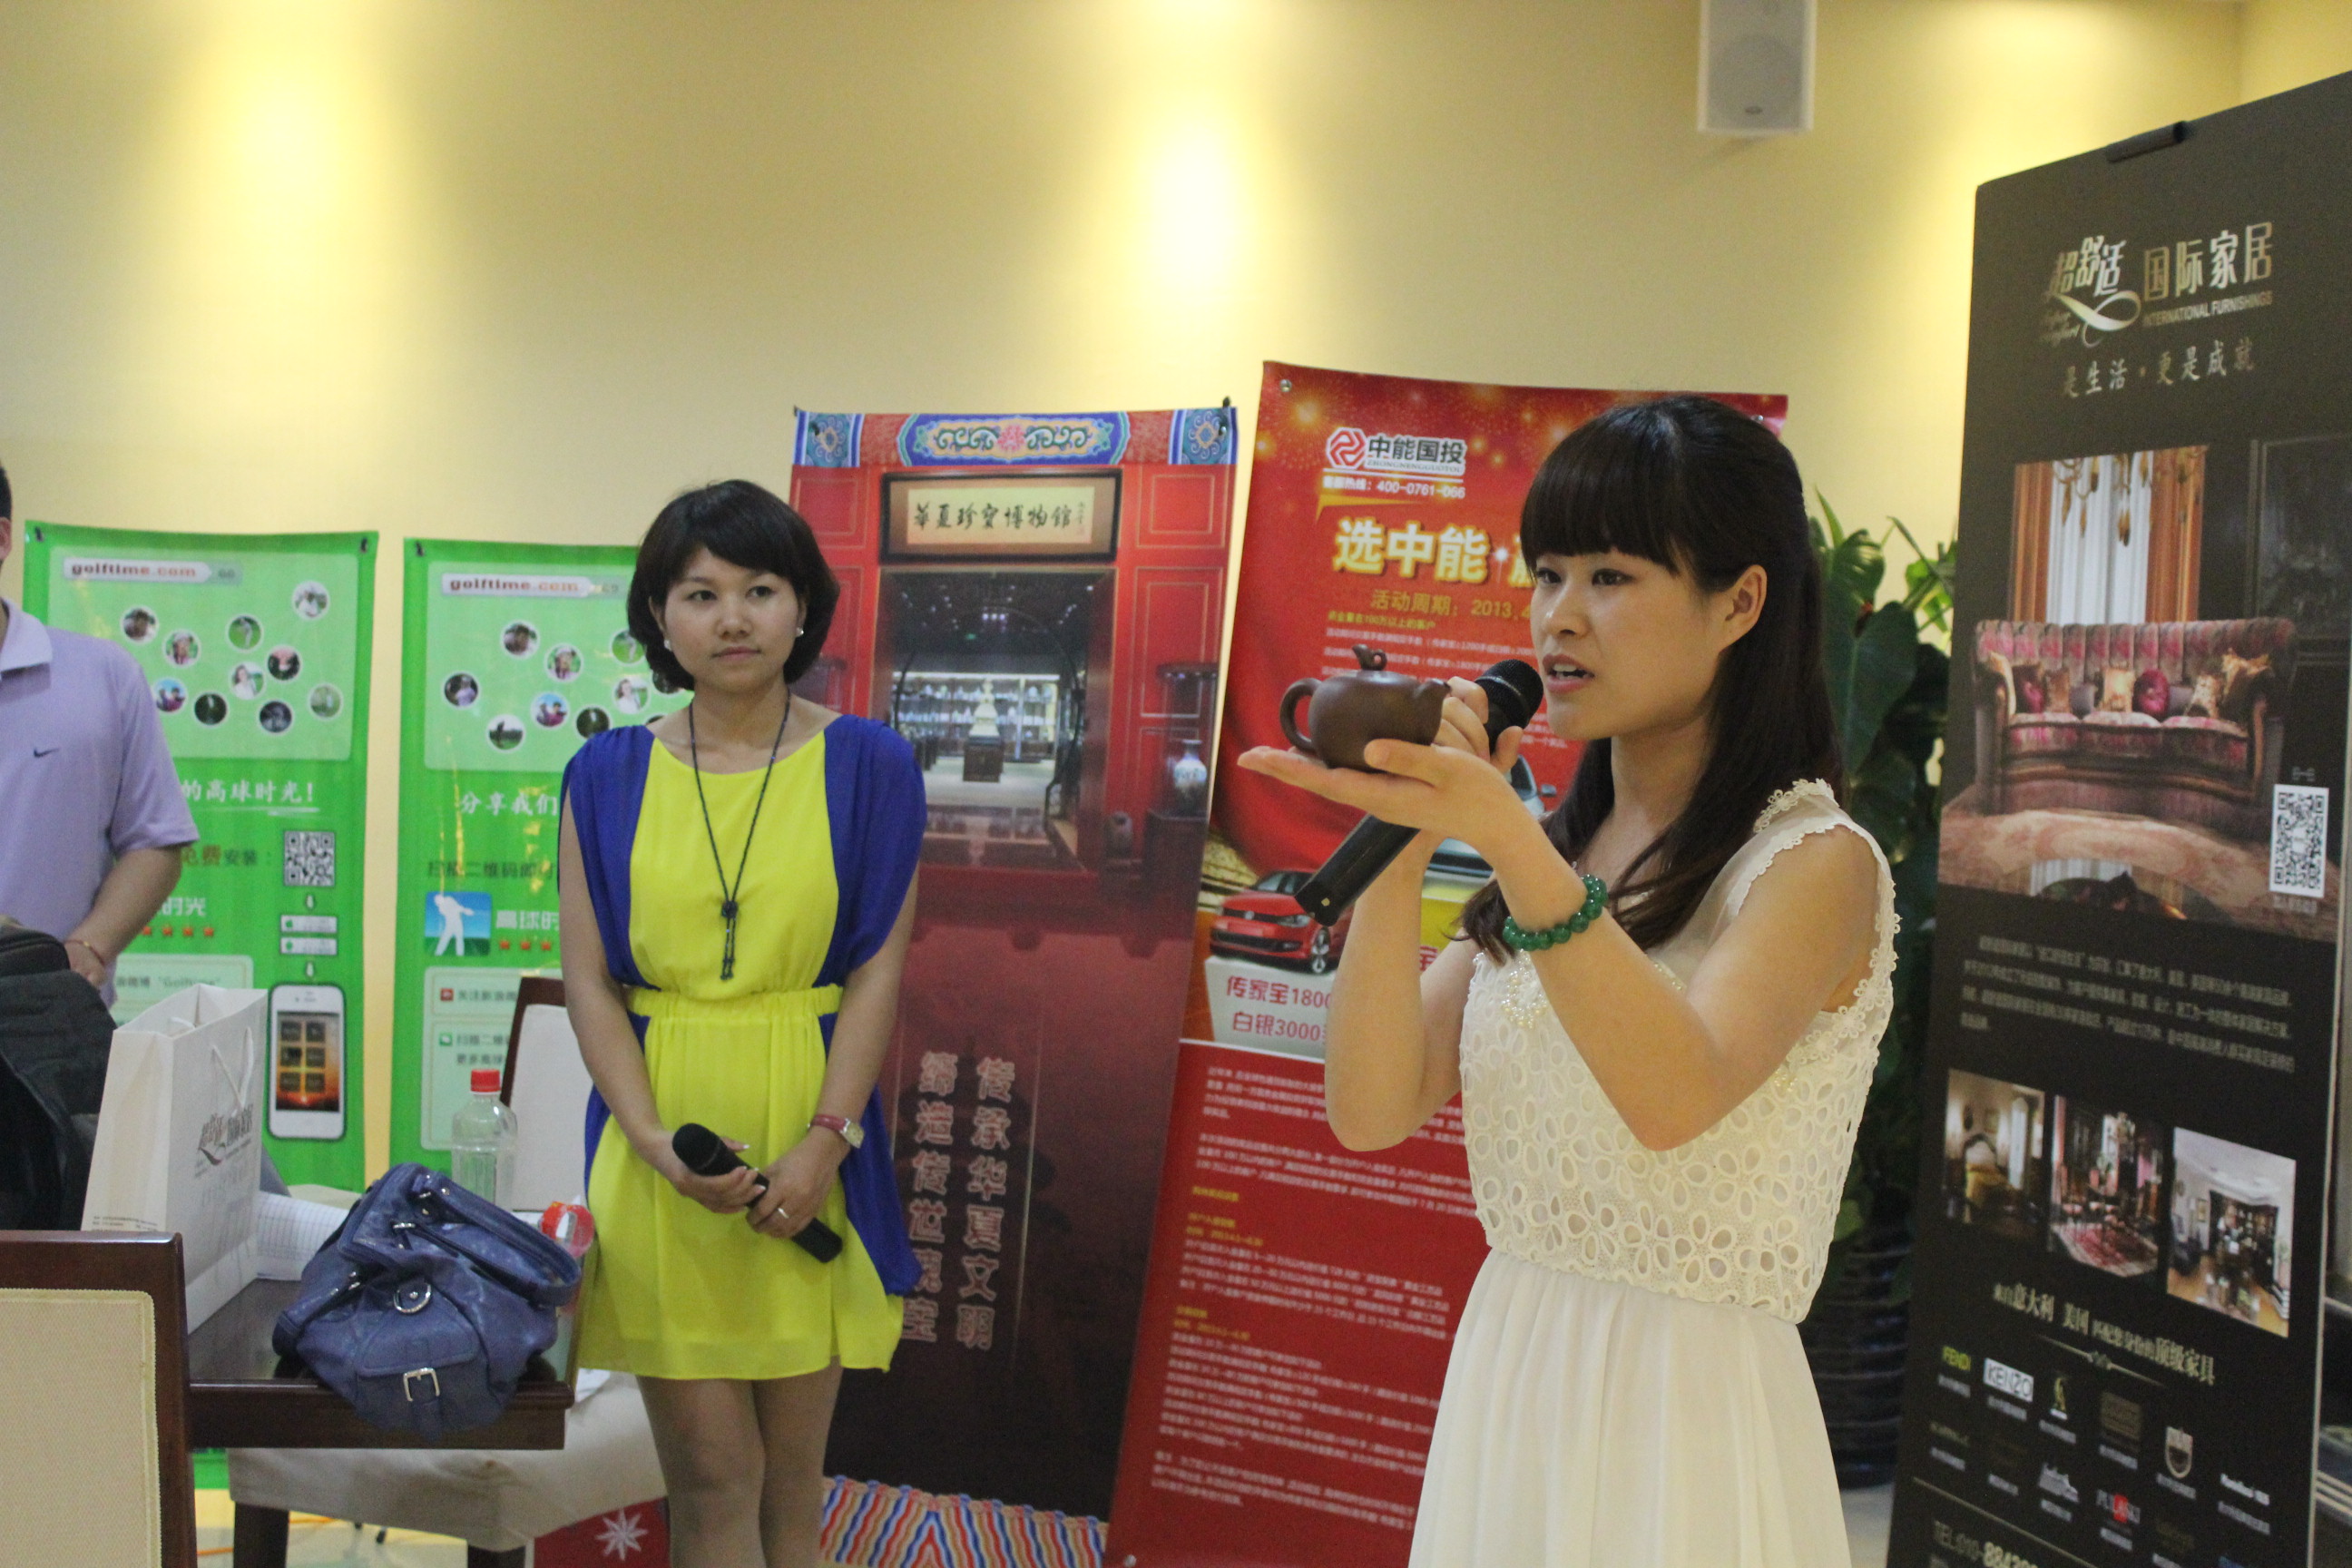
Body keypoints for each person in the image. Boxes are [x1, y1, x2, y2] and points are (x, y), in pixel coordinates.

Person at [1240, 397, 1891, 1565]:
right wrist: (1401, 844)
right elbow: (1372, 1109)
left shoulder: (1814, 864)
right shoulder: (1560, 853)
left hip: (1685, 1415)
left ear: (1740, 603)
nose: (1560, 617)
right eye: (1547, 575)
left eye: (1612, 577)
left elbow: (1675, 1097)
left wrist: (1504, 834)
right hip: (1515, 1368)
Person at [559, 479, 923, 1568]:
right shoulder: (604, 773)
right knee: (714, 1483)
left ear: (802, 608)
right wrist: (653, 1143)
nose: (732, 618)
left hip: (810, 1146)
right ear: (658, 616)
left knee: (793, 1493)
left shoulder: (871, 765)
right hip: (661, 1154)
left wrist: (825, 1143)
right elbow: (589, 982)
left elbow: (876, 973)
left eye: (760, 590)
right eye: (701, 593)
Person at [0, 462, 199, 1002]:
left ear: (2, 538)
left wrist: (88, 948)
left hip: (47, 1020)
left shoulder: (102, 676)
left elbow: (154, 839)